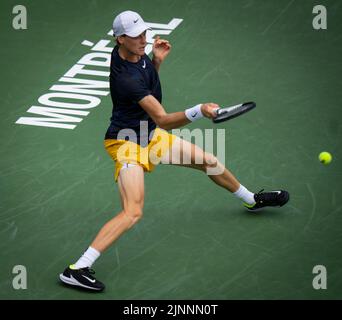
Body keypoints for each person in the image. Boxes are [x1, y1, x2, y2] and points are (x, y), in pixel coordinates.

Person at [59, 10, 289, 292]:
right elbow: (164, 119)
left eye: (144, 32)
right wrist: (200, 111)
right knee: (132, 212)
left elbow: (148, 89)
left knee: (209, 161)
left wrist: (155, 61)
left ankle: (251, 199)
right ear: (120, 39)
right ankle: (77, 269)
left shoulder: (133, 53)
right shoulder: (126, 79)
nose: (143, 39)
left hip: (149, 136)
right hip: (127, 142)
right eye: (135, 36)